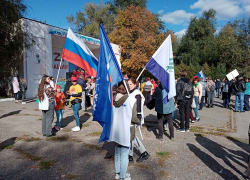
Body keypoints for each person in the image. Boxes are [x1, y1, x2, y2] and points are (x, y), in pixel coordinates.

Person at [111, 82, 137, 180]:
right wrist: (139, 121)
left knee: (117, 152)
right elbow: (134, 118)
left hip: (116, 130)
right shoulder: (131, 100)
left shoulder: (113, 99)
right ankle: (123, 176)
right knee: (124, 154)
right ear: (126, 88)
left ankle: (118, 174)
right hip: (126, 130)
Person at [127, 77, 150, 163]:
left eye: (131, 84)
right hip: (131, 117)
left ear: (135, 84)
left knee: (131, 136)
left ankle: (131, 155)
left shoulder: (137, 94)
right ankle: (141, 153)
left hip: (135, 117)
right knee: (132, 136)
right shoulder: (131, 92)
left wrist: (136, 119)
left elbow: (138, 108)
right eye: (128, 84)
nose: (129, 86)